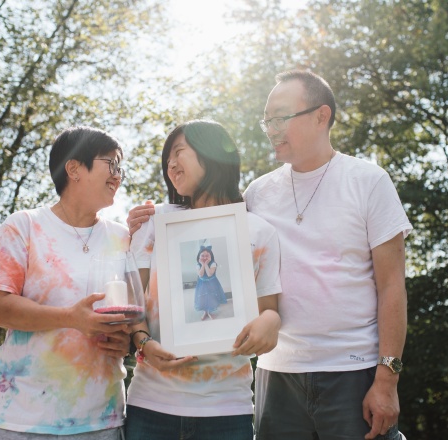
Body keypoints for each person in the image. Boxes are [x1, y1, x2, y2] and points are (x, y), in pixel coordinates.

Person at [128, 70, 412, 440]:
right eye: (267, 121)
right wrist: (142, 225)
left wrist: (387, 379)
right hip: (275, 374)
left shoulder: (369, 181)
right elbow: (207, 240)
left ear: (321, 116)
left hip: (352, 369)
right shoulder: (257, 194)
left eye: (280, 117)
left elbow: (392, 286)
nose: (271, 129)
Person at [124, 120, 282, 440]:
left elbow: (269, 310)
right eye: (167, 159)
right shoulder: (155, 222)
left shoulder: (259, 231)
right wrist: (143, 343)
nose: (170, 164)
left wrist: (270, 323)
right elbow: (131, 301)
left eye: (179, 152)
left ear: (211, 154)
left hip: (227, 409)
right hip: (152, 403)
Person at [0, 126, 132, 440]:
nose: (118, 175)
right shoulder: (24, 226)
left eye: (120, 167)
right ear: (74, 168)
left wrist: (127, 342)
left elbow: (135, 316)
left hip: (101, 423)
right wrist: (71, 318)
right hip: (20, 422)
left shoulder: (123, 238)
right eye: (110, 164)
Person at [194, 245, 227, 320]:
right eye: (202, 255)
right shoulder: (198, 265)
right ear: (199, 256)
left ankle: (209, 312)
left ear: (211, 256)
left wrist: (206, 264)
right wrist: (203, 265)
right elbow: (200, 274)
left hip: (212, 283)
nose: (205, 258)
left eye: (207, 256)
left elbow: (209, 274)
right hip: (202, 284)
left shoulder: (213, 263)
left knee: (211, 297)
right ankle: (205, 312)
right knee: (203, 297)